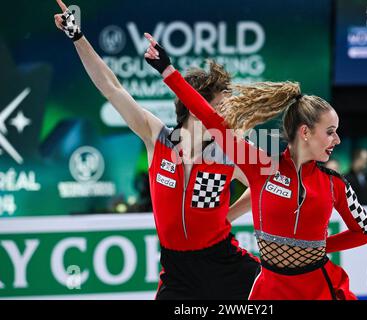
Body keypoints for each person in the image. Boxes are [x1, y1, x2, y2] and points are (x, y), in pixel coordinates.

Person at [54, 1, 260, 300]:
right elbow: (112, 88)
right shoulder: (157, 137)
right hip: (177, 273)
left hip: (225, 265)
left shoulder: (230, 150)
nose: (230, 109)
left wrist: (229, 214)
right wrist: (77, 37)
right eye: (223, 102)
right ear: (196, 103)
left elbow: (266, 182)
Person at [144, 35, 367, 300]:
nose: (338, 140)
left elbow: (363, 233)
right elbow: (210, 117)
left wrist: (317, 249)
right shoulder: (260, 165)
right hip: (271, 291)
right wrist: (168, 72)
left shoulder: (336, 183)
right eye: (330, 132)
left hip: (319, 288)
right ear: (305, 132)